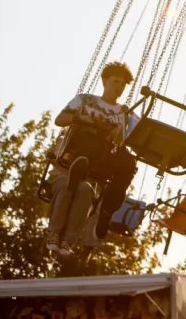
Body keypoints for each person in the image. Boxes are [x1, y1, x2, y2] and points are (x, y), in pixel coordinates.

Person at [49, 61, 140, 251]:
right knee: (90, 141)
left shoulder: (124, 113)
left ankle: (109, 207)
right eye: (116, 82)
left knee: (128, 161)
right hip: (80, 149)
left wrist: (118, 132)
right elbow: (60, 120)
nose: (119, 87)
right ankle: (79, 168)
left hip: (104, 159)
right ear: (105, 81)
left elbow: (120, 142)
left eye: (123, 84)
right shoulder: (84, 100)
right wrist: (80, 118)